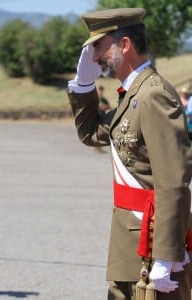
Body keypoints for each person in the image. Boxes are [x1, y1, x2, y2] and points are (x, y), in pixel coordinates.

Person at [67, 7, 192, 300]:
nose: (95, 57)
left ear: (125, 44)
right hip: (128, 245)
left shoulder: (153, 94)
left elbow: (173, 180)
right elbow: (90, 134)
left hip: (151, 247)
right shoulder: (132, 95)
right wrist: (83, 85)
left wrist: (165, 254)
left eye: (99, 47)